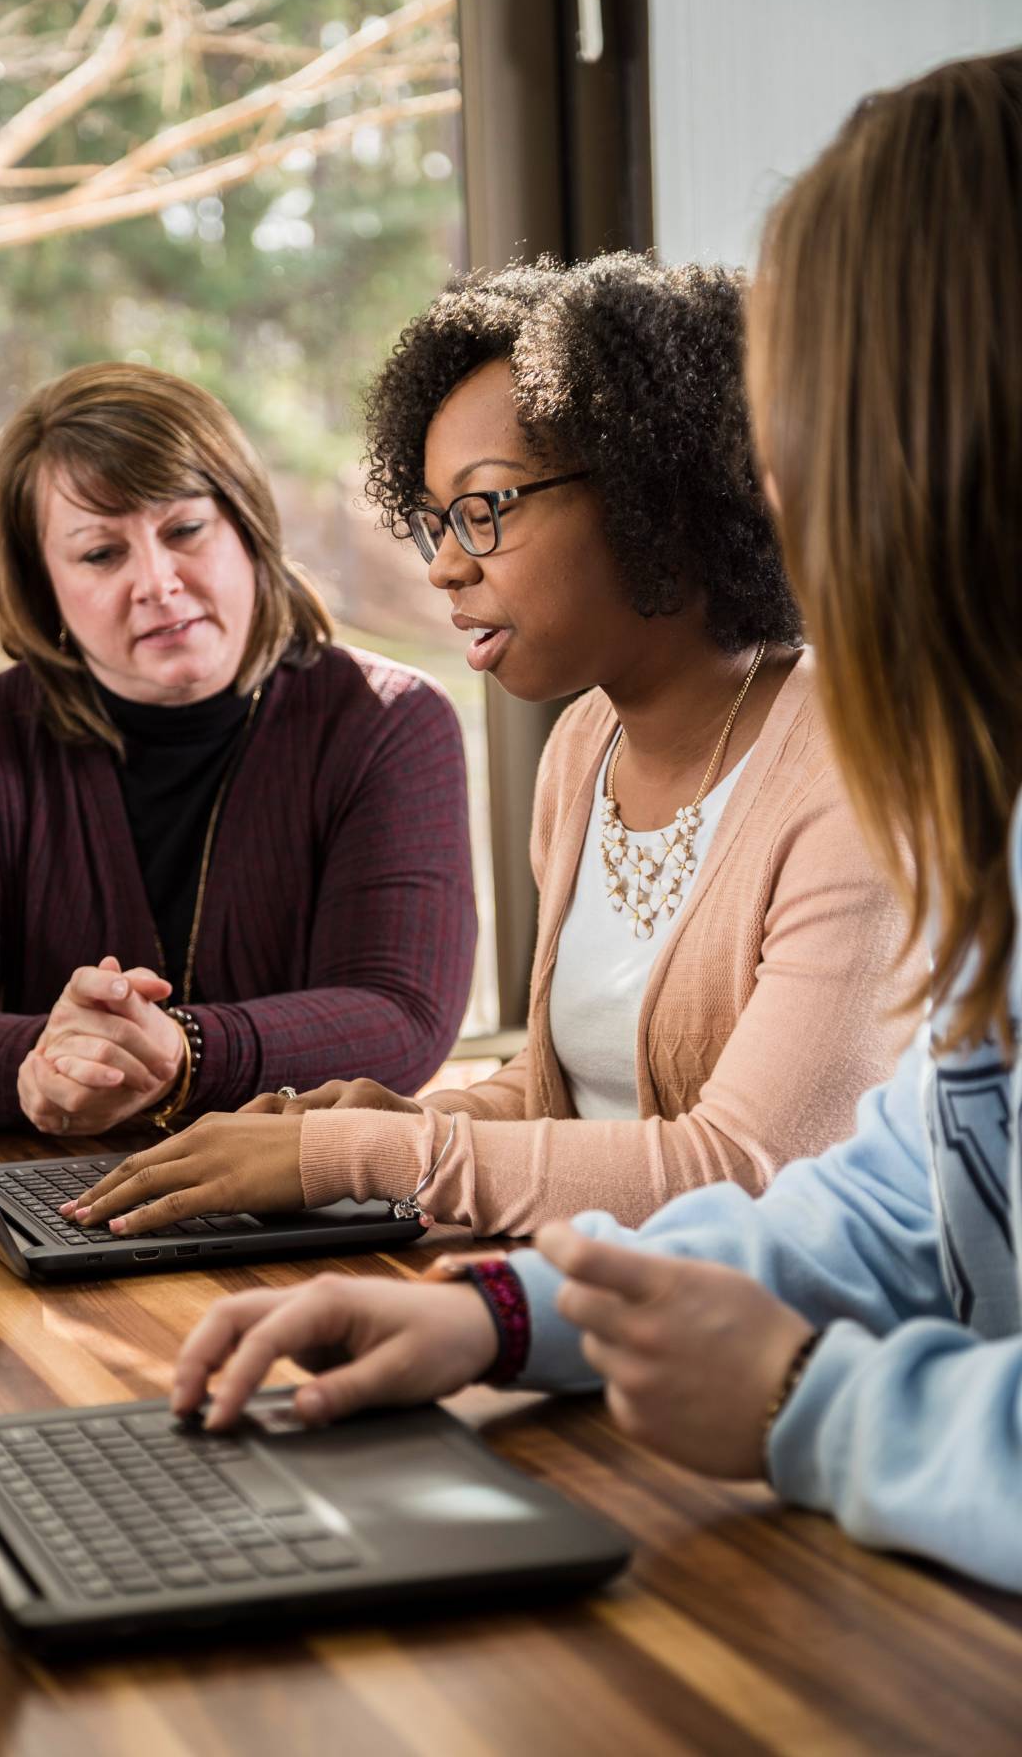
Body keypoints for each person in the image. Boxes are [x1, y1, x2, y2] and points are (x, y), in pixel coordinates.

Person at [160, 49, 1022, 1591]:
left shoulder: (872, 766)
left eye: (817, 401)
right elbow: (901, 1206)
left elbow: (755, 1166)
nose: (776, 467)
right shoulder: (983, 806)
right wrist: (498, 1314)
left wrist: (804, 1404)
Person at [65, 254, 922, 1239]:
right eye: (436, 520)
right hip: (605, 1314)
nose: (442, 566)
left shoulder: (860, 766)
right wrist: (399, 1124)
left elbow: (743, 1169)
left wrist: (349, 1157)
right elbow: (578, 1097)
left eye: (487, 508)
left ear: (658, 488)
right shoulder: (584, 748)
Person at [0, 362, 476, 1131]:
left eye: (185, 530)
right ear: (43, 587)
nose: (157, 581)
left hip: (298, 1202)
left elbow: (398, 1014)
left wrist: (185, 1054)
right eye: (102, 554)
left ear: (247, 529)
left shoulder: (387, 721)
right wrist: (43, 1064)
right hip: (44, 1196)